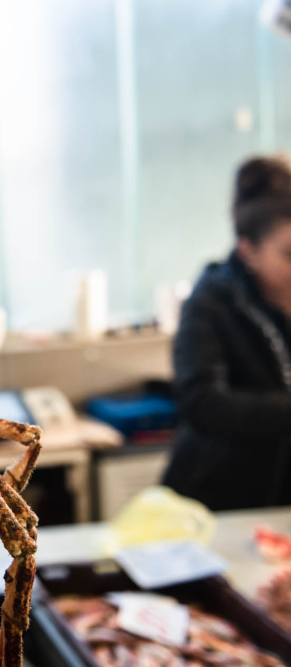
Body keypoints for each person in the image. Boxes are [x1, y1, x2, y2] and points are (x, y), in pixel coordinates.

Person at [162, 155, 291, 511]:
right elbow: (201, 403)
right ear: (248, 251)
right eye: (289, 254)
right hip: (215, 504)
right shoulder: (210, 303)